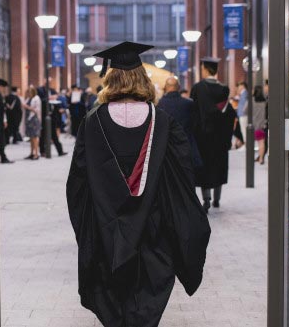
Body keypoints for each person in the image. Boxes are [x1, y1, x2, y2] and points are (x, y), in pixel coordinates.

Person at [67, 41, 210, 327]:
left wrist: (88, 228)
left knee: (113, 300)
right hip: (153, 231)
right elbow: (183, 176)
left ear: (110, 79)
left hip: (107, 232)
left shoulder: (92, 123)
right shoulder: (165, 122)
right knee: (146, 302)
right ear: (142, 79)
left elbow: (78, 184)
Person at [190, 57, 241, 211]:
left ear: (205, 68)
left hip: (202, 137)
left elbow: (193, 112)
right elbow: (228, 114)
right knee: (218, 167)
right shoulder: (224, 89)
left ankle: (206, 200)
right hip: (220, 138)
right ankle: (217, 199)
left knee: (204, 168)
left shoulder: (198, 88)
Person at [157, 76, 202, 168]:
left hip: (167, 148)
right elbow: (196, 124)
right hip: (186, 146)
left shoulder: (160, 105)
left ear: (166, 87)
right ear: (178, 87)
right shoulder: (188, 104)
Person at [22, 87, 42, 160]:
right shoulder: (28, 98)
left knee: (35, 137)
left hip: (34, 119)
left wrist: (27, 107)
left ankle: (36, 154)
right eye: (28, 92)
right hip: (29, 120)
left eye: (30, 92)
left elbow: (36, 110)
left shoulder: (36, 98)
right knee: (31, 137)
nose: (28, 93)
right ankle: (31, 153)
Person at [0, 79, 14, 163]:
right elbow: (1, 110)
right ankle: (3, 156)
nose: (4, 90)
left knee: (0, 139)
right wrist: (4, 120)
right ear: (0, 86)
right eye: (4, 88)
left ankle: (2, 156)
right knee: (1, 139)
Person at [253, 83, 269, 164]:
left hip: (255, 125)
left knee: (259, 142)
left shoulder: (252, 102)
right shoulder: (265, 102)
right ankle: (261, 159)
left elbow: (245, 110)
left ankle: (260, 157)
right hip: (263, 125)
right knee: (262, 142)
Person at [232, 81, 249, 147]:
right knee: (243, 130)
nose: (238, 87)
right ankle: (245, 145)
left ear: (243, 86)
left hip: (243, 115)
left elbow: (246, 103)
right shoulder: (243, 93)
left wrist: (243, 111)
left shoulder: (244, 93)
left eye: (240, 85)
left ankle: (246, 145)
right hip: (242, 114)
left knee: (244, 131)